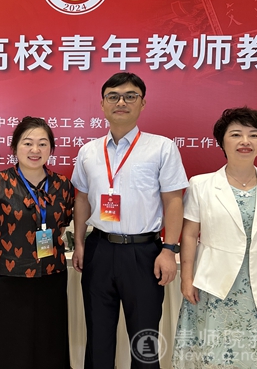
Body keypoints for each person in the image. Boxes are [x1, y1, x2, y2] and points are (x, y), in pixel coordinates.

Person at [71, 72, 189, 369]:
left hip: (144, 253)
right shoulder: (88, 151)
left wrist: (169, 249)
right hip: (99, 249)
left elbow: (173, 201)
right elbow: (82, 199)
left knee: (144, 337)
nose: (121, 102)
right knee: (98, 334)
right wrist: (80, 243)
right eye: (113, 96)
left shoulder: (161, 148)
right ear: (102, 104)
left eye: (130, 96)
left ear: (142, 103)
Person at [172, 107, 257, 368]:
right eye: (236, 134)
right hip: (213, 287)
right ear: (222, 142)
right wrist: (186, 279)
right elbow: (189, 235)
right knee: (213, 354)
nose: (245, 141)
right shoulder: (201, 184)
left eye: (253, 135)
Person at [0, 116, 75, 369]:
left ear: (51, 148)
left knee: (49, 339)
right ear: (15, 147)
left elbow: (62, 223)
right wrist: (0, 247)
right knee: (10, 340)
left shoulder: (62, 185)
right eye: (27, 143)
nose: (35, 150)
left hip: (51, 273)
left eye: (42, 144)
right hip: (8, 274)